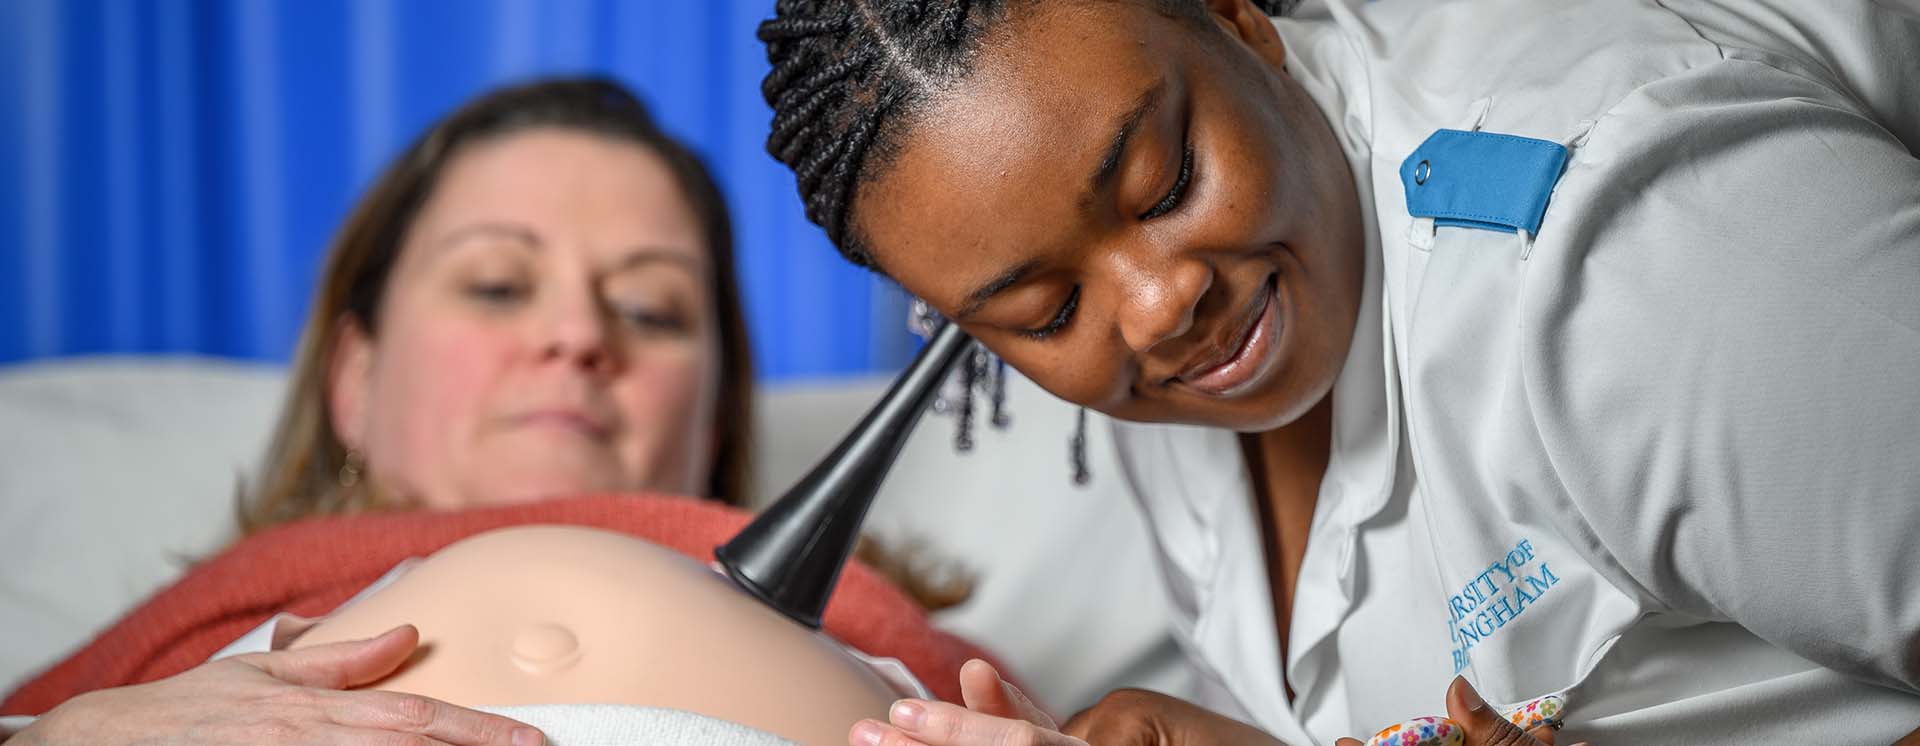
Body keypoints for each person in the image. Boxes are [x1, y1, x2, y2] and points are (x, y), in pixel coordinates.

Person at [749, 0, 1920, 744]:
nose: (1158, 306)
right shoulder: (1164, 367)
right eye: (1042, 308)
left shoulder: (1627, 256)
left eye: (1163, 184)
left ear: (1240, 20)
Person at [3, 76, 753, 745]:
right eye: (496, 285)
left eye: (650, 309)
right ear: (356, 379)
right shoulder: (145, 672)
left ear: (714, 417)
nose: (578, 334)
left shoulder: (855, 626)